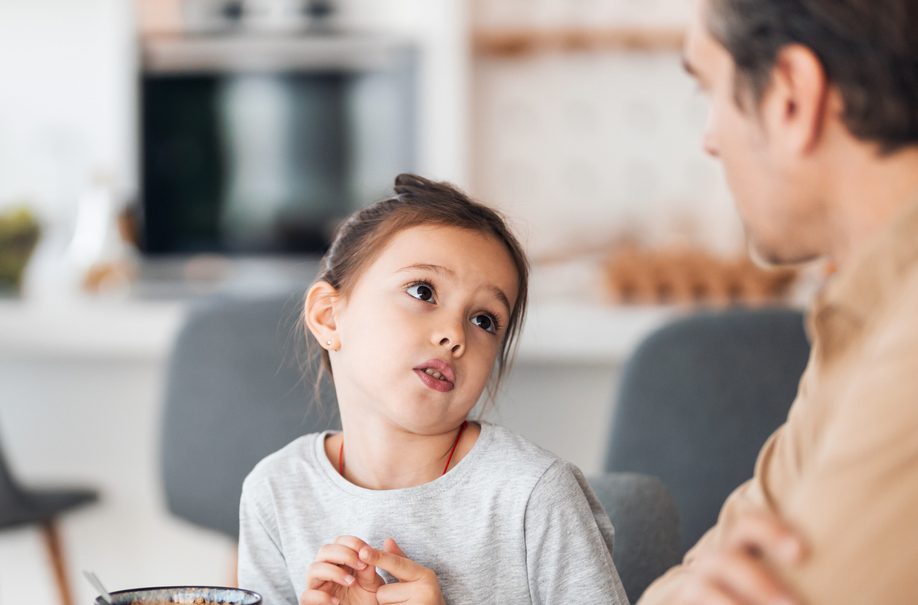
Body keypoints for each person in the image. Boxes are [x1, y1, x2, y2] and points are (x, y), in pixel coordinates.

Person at [237, 174, 629, 605]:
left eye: (484, 320)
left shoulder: (535, 495)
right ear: (329, 318)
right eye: (423, 291)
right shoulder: (276, 490)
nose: (454, 334)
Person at [639, 0, 918, 603]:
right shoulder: (860, 309)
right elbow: (706, 571)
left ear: (791, 97)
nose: (710, 139)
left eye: (710, 91)